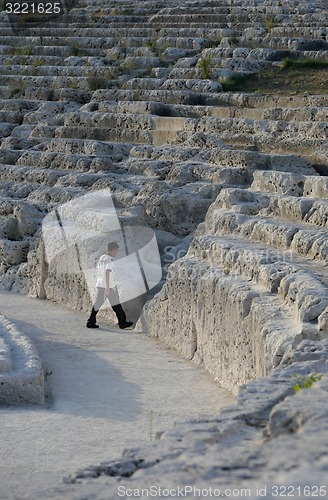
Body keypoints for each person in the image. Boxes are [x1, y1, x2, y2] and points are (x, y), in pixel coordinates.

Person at [86, 241, 133, 330]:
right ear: (112, 250)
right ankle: (122, 323)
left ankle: (91, 321)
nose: (116, 253)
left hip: (100, 284)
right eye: (116, 251)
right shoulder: (110, 259)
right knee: (116, 305)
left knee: (99, 304)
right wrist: (107, 288)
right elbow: (107, 273)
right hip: (108, 286)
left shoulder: (102, 257)